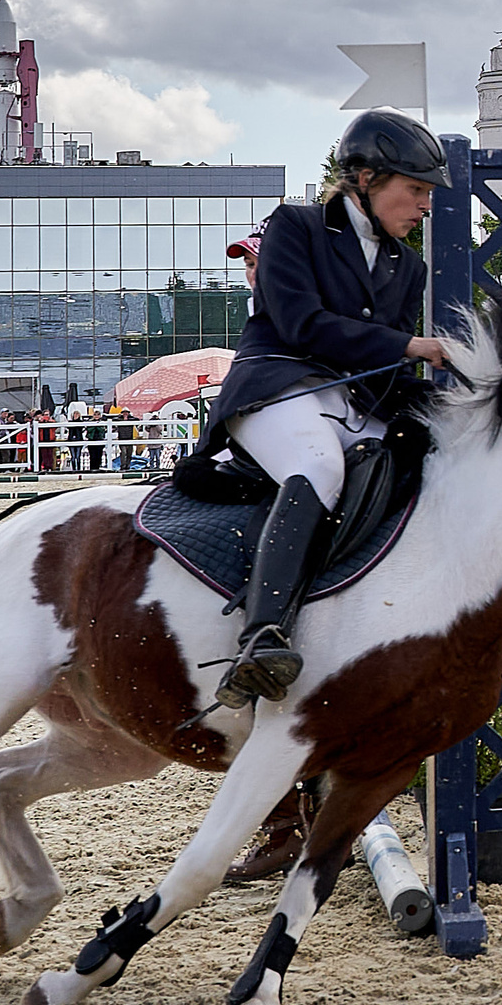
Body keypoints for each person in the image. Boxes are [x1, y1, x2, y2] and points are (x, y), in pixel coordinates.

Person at [186, 107, 449, 709]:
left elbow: (382, 370)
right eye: (415, 190)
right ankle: (261, 637)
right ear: (364, 178)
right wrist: (411, 346)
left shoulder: (409, 265)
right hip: (279, 386)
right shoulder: (296, 226)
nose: (425, 206)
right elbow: (300, 324)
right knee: (320, 467)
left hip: (352, 400)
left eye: (427, 193)